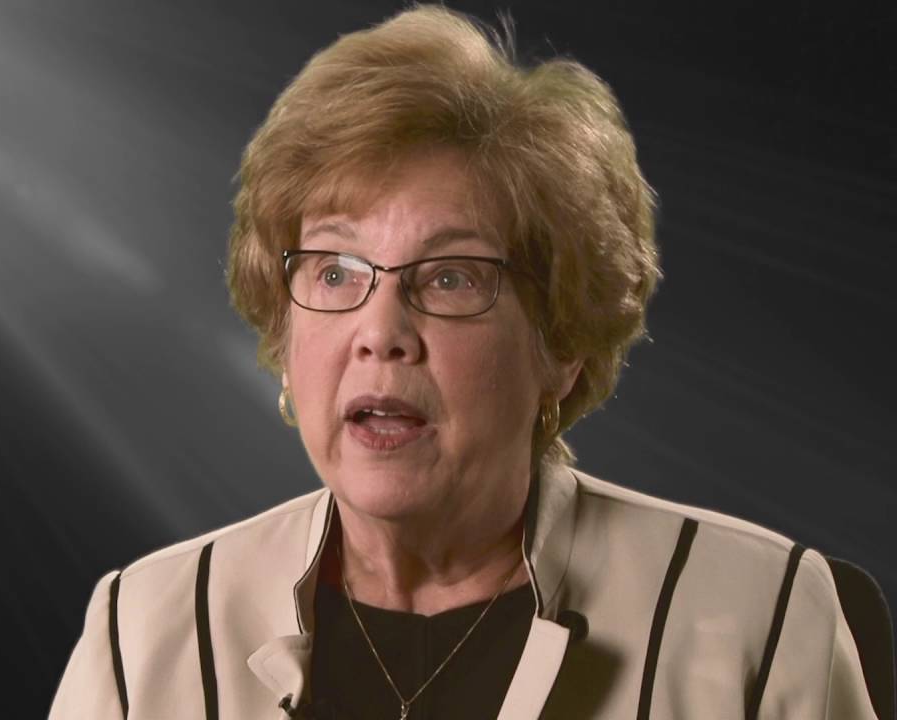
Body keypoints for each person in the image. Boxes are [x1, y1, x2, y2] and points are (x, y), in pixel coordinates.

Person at [49, 6, 878, 719]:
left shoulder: (759, 623)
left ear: (561, 343)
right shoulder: (142, 632)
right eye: (334, 271)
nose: (381, 331)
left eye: (451, 276)